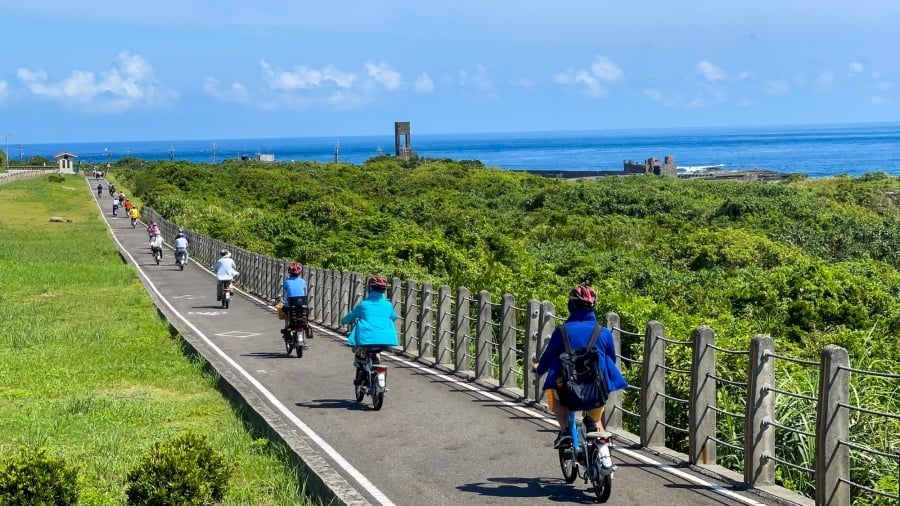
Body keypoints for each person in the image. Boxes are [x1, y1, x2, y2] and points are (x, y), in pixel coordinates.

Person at [532, 285, 628, 449]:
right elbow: (610, 359)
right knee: (596, 421)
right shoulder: (603, 332)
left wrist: (539, 368)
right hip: (597, 388)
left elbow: (547, 358)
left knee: (552, 395)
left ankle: (566, 430)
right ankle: (603, 456)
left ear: (572, 305)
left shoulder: (561, 332)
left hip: (566, 388)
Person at [340, 275, 398, 385]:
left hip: (366, 340)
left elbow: (351, 316)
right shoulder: (388, 305)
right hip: (386, 340)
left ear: (370, 289)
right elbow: (393, 317)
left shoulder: (364, 305)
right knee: (377, 352)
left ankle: (361, 374)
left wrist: (343, 321)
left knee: (360, 354)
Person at [281, 262, 308, 331]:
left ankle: (286, 325)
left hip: (290, 304)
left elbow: (286, 290)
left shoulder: (286, 281)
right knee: (305, 311)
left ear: (289, 272)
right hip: (302, 303)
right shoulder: (303, 281)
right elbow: (305, 292)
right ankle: (306, 324)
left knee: (285, 310)